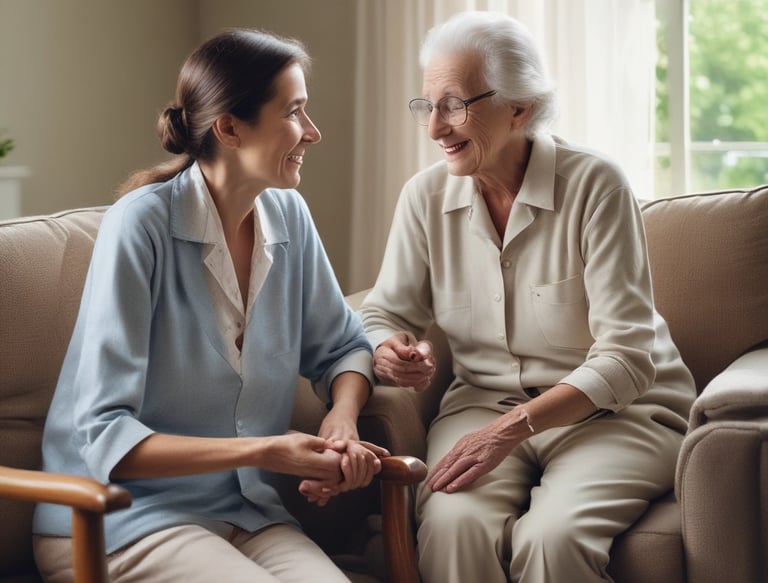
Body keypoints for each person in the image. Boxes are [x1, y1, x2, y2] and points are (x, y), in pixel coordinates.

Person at [33, 29, 385, 583]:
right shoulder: (140, 227)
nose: (313, 133)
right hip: (120, 518)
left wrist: (343, 420)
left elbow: (343, 347)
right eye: (294, 113)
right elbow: (105, 436)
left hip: (247, 513)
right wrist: (267, 451)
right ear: (229, 127)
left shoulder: (289, 216)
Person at [360, 11, 696, 583]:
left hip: (616, 415)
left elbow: (626, 357)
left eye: (455, 104)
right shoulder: (423, 198)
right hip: (480, 407)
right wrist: (386, 345)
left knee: (553, 538)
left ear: (521, 107)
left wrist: (510, 430)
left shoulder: (595, 187)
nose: (436, 127)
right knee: (450, 525)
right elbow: (383, 310)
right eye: (427, 105)